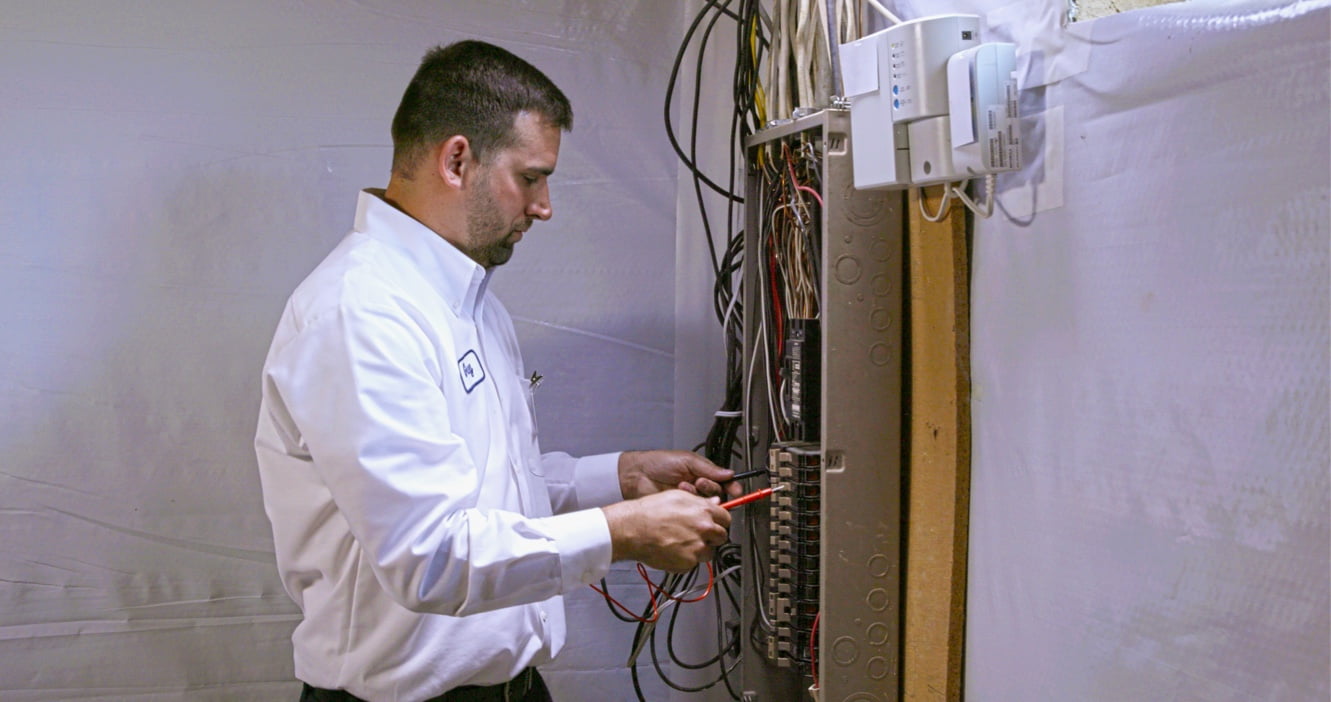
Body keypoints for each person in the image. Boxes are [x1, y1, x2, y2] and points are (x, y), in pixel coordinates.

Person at [254, 40, 740, 702]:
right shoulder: (359, 314)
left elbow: (486, 492)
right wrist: (624, 533)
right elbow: (430, 556)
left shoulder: (469, 302)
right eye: (531, 177)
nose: (544, 207)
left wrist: (618, 477)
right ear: (457, 159)